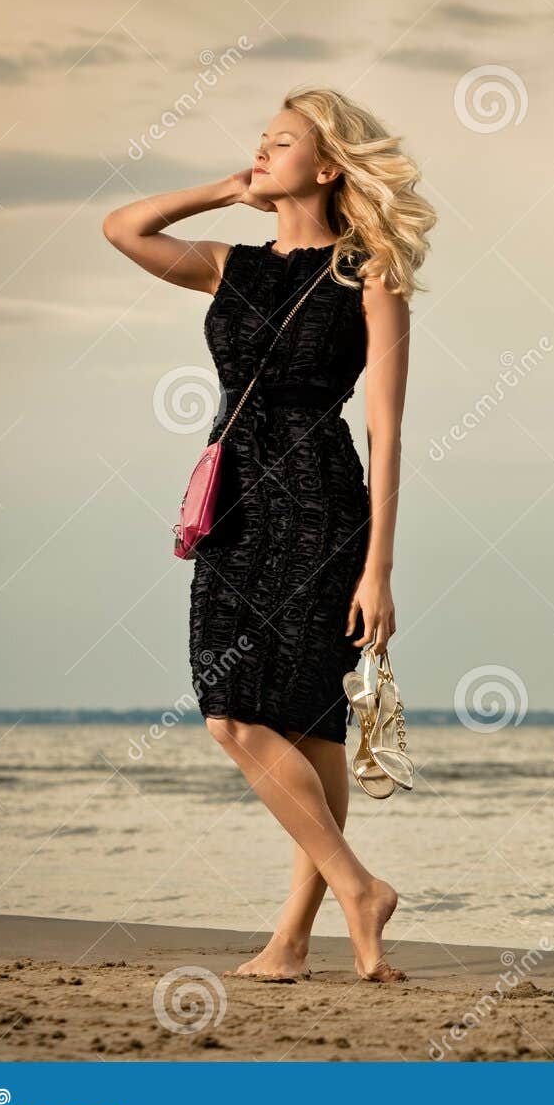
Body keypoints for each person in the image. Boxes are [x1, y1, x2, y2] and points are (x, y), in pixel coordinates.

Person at [102, 86, 436, 982]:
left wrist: (380, 569)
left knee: (273, 718)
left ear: (327, 167)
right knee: (266, 717)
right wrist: (224, 187)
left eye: (280, 142)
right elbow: (123, 228)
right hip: (235, 501)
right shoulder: (230, 266)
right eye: (260, 140)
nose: (261, 149)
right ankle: (313, 928)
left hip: (322, 503)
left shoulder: (370, 272)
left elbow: (388, 430)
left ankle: (332, 913)